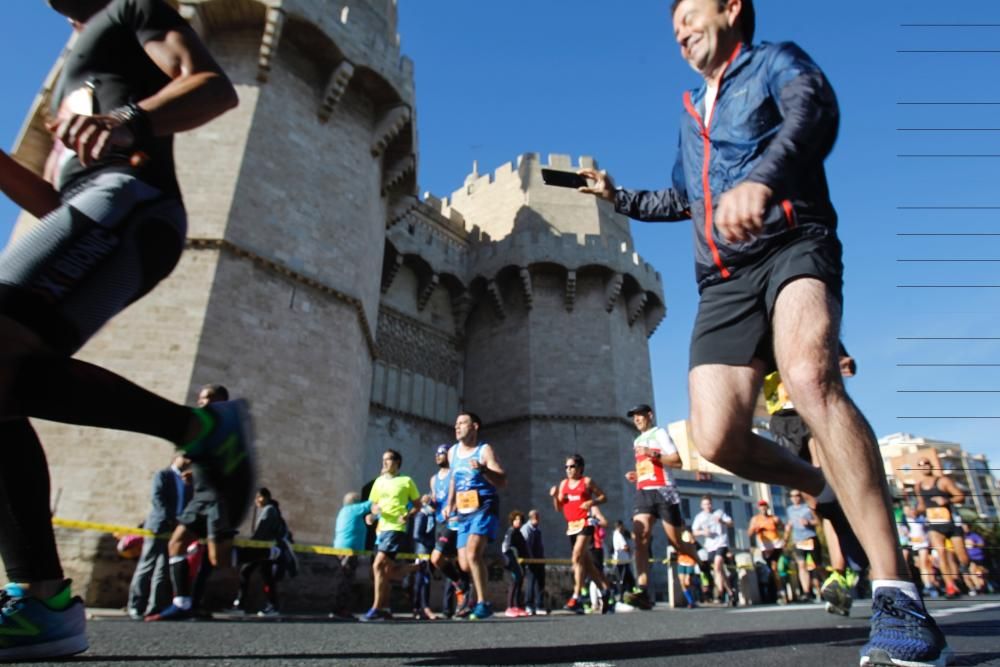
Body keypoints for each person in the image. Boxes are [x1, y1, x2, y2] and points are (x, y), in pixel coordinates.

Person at [576, 1, 949, 663]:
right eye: (673, 26)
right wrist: (616, 196)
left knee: (809, 377)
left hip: (794, 242)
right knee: (716, 435)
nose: (680, 30)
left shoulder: (775, 62)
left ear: (731, 7)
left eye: (691, 14)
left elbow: (816, 112)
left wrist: (763, 177)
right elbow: (683, 198)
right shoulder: (693, 111)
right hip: (722, 280)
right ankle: (820, 484)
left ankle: (899, 595)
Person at [0, 0, 252, 659]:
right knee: (7, 380)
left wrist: (128, 120)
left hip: (132, 201)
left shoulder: (129, 10)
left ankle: (45, 598)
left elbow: (213, 87)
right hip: (92, 209)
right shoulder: (69, 69)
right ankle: (44, 598)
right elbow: (56, 201)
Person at [146, 384, 240, 621]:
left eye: (208, 398)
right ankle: (182, 603)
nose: (202, 403)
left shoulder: (228, 426)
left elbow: (229, 462)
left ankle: (255, 559)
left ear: (221, 401)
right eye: (200, 399)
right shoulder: (203, 425)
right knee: (176, 543)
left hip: (219, 498)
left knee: (218, 559)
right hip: (201, 497)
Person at [620, 404, 699, 610]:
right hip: (644, 491)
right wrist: (637, 475)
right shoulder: (636, 440)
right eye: (634, 416)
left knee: (676, 543)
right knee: (640, 537)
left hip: (664, 490)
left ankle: (698, 561)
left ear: (650, 416)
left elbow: (677, 461)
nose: (636, 419)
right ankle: (643, 590)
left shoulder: (660, 433)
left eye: (639, 415)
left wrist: (652, 454)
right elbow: (648, 467)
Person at [445, 411, 506, 620]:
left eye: (462, 423)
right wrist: (450, 504)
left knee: (473, 554)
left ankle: (483, 603)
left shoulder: (484, 450)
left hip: (484, 506)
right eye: (456, 423)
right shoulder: (452, 452)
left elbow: (502, 480)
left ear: (475, 427)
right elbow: (453, 478)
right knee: (464, 563)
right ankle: (476, 596)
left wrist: (484, 471)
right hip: (463, 511)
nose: (457, 426)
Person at [126, 453, 192, 619]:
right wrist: (171, 518)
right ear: (176, 457)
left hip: (174, 529)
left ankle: (155, 606)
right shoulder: (163, 475)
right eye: (185, 457)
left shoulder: (188, 481)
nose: (188, 461)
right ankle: (136, 605)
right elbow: (157, 499)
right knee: (147, 565)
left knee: (163, 569)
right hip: (159, 526)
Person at [549, 454, 614, 615]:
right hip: (572, 526)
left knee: (576, 556)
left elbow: (603, 497)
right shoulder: (563, 484)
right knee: (587, 565)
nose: (569, 470)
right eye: (567, 467)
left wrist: (592, 502)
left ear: (580, 468)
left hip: (586, 523)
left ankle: (577, 597)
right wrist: (554, 497)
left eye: (572, 467)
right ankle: (604, 591)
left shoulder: (587, 482)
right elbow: (558, 508)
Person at [361, 449, 421, 622]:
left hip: (396, 527)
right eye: (383, 460)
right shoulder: (378, 482)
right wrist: (372, 514)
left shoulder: (406, 481)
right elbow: (373, 505)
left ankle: (376, 608)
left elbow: (417, 505)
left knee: (378, 565)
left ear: (397, 462)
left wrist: (408, 515)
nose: (384, 463)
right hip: (381, 528)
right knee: (383, 571)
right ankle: (386, 607)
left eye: (388, 460)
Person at [914, 457, 970, 599]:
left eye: (925, 464)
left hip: (951, 522)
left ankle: (961, 572)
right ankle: (950, 586)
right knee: (941, 554)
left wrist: (947, 500)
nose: (923, 466)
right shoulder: (919, 486)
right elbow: (921, 504)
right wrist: (915, 511)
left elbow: (960, 496)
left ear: (931, 466)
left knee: (962, 556)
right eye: (920, 465)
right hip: (934, 524)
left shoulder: (943, 481)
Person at [427, 444, 468, 617]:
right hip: (439, 523)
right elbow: (436, 502)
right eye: (436, 453)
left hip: (454, 522)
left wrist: (456, 507)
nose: (438, 456)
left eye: (442, 453)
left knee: (436, 558)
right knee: (452, 563)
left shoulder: (456, 474)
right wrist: (429, 502)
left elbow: (463, 494)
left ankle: (461, 589)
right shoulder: (433, 479)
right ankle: (458, 603)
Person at [233, 488, 287, 617]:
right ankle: (270, 605)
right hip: (264, 550)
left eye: (259, 497)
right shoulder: (268, 510)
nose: (256, 500)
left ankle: (244, 604)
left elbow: (261, 532)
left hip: (263, 550)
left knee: (248, 572)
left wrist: (250, 546)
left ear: (266, 497)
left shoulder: (269, 510)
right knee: (264, 576)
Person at [330, 491, 371, 619]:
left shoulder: (343, 511)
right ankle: (341, 610)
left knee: (342, 578)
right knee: (346, 579)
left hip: (340, 548)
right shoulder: (354, 509)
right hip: (349, 550)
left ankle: (339, 609)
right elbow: (371, 504)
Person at [691, 495, 736, 606]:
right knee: (719, 571)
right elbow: (693, 532)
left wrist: (722, 522)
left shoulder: (719, 512)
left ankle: (719, 594)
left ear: (712, 504)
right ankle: (731, 593)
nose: (708, 506)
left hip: (722, 543)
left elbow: (731, 523)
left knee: (717, 566)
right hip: (710, 546)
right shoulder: (699, 517)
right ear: (702, 506)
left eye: (709, 504)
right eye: (705, 504)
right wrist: (702, 532)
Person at [784, 490, 820, 602]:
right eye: (792, 496)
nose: (795, 498)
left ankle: (819, 590)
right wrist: (785, 537)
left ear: (801, 496)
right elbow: (790, 523)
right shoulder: (789, 510)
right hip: (798, 540)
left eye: (797, 495)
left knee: (815, 566)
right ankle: (806, 592)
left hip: (810, 538)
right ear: (790, 498)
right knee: (801, 565)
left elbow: (818, 521)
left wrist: (809, 522)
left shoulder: (808, 507)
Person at [748, 500, 786, 604]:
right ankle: (771, 593)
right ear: (758, 508)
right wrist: (756, 529)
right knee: (767, 570)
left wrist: (785, 540)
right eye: (761, 506)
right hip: (764, 547)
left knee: (774, 568)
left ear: (767, 507)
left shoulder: (774, 518)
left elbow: (783, 527)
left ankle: (780, 592)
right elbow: (749, 533)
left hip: (776, 546)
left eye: (764, 506)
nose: (763, 508)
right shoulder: (755, 519)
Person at [408, 495, 437, 620]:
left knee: (425, 579)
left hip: (427, 550)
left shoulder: (430, 516)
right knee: (422, 579)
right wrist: (431, 544)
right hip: (422, 550)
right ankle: (420, 607)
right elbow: (417, 535)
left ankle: (422, 607)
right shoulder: (422, 515)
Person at [501, 510, 529, 617]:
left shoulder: (519, 533)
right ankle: (509, 607)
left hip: (520, 561)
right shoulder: (511, 532)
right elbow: (506, 547)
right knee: (514, 582)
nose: (518, 522)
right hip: (511, 561)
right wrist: (509, 560)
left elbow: (524, 548)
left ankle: (517, 606)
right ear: (512, 521)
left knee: (519, 582)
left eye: (520, 520)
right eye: (516, 519)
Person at [521, 509, 546, 615]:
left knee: (540, 583)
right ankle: (529, 605)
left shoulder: (537, 530)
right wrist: (529, 559)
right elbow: (525, 545)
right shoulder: (526, 529)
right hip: (531, 560)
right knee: (531, 582)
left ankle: (539, 605)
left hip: (539, 559)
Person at [611, 521, 636, 603]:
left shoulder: (616, 534)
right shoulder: (619, 535)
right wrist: (630, 550)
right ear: (620, 526)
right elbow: (625, 546)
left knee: (629, 580)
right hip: (621, 561)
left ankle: (629, 596)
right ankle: (621, 597)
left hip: (623, 561)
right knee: (622, 580)